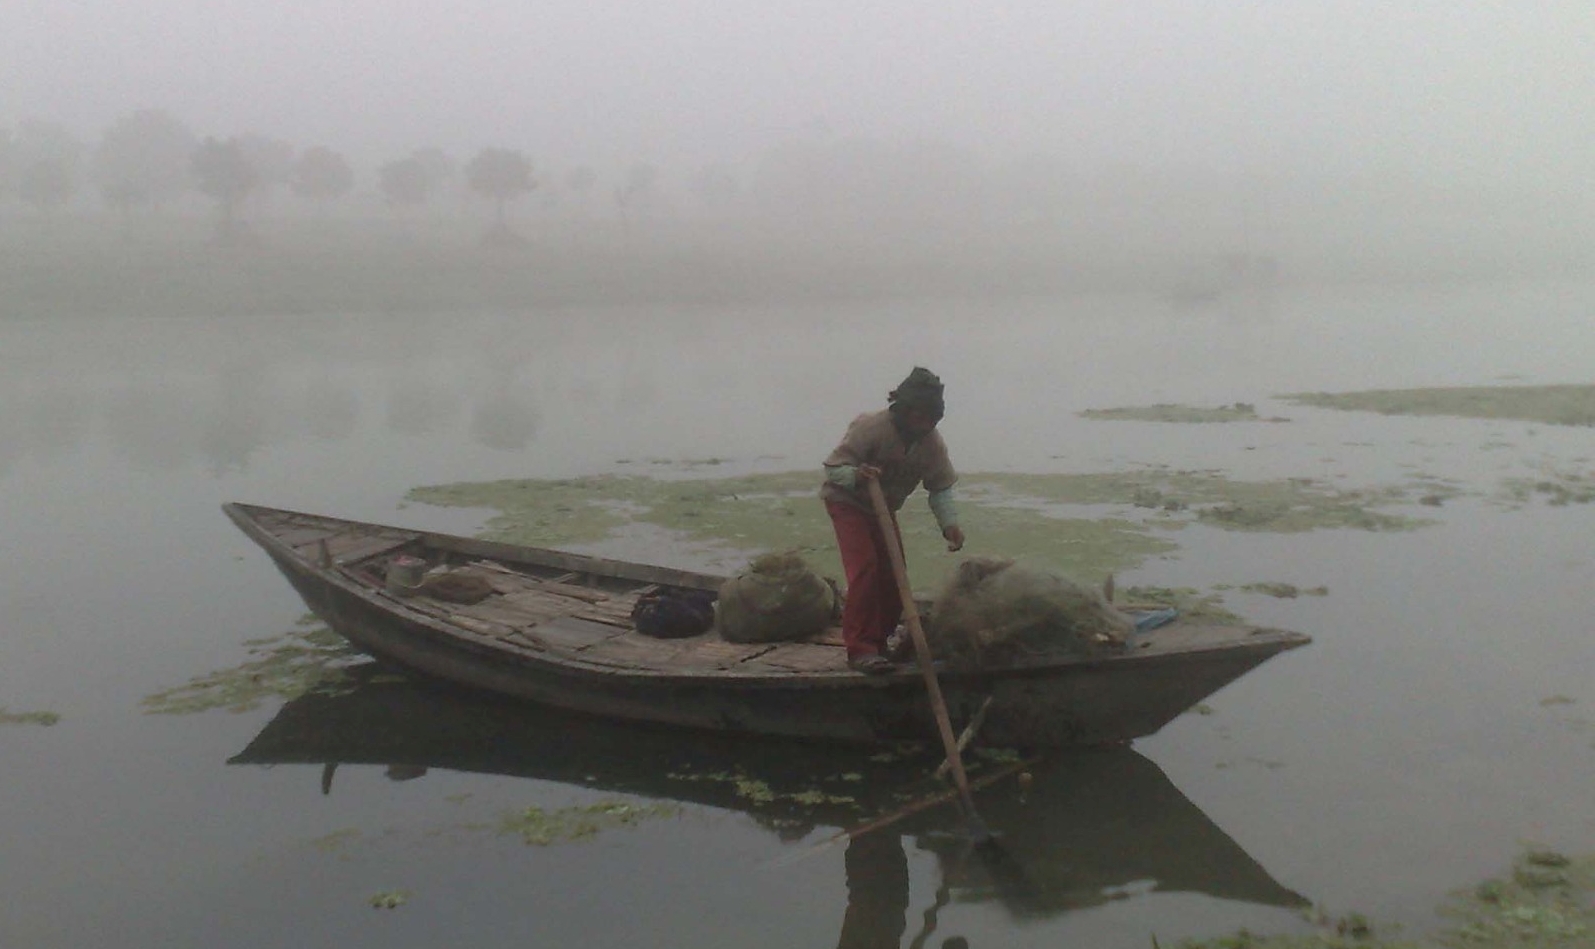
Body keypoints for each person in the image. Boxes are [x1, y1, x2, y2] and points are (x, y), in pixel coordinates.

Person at [822, 367, 965, 674]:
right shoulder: (871, 428)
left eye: (930, 419)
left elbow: (939, 488)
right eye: (918, 417)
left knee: (894, 573)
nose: (923, 424)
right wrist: (857, 476)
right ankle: (860, 648)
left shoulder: (931, 444)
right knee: (865, 568)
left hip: (883, 509)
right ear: (902, 409)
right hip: (847, 502)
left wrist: (949, 525)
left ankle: (880, 642)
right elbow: (834, 468)